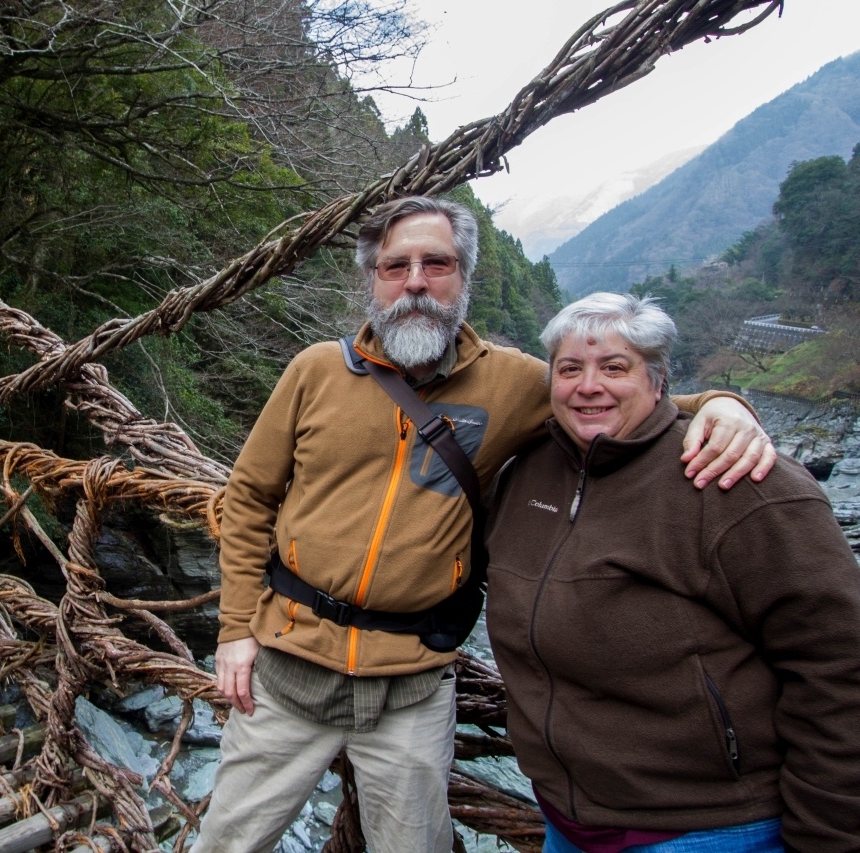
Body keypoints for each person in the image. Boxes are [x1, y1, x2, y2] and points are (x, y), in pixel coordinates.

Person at [192, 196, 777, 853]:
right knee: (227, 842)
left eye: (435, 263)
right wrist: (236, 628)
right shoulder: (315, 372)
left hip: (409, 691)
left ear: (463, 277)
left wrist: (726, 404)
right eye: (396, 266)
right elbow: (248, 497)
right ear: (373, 280)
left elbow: (627, 397)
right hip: (287, 674)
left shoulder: (515, 383)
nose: (415, 281)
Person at [485, 292, 860, 853]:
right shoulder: (525, 474)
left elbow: (839, 667)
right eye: (570, 369)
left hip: (711, 828)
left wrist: (827, 836)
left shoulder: (737, 481)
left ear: (658, 381)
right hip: (566, 820)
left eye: (616, 367)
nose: (589, 385)